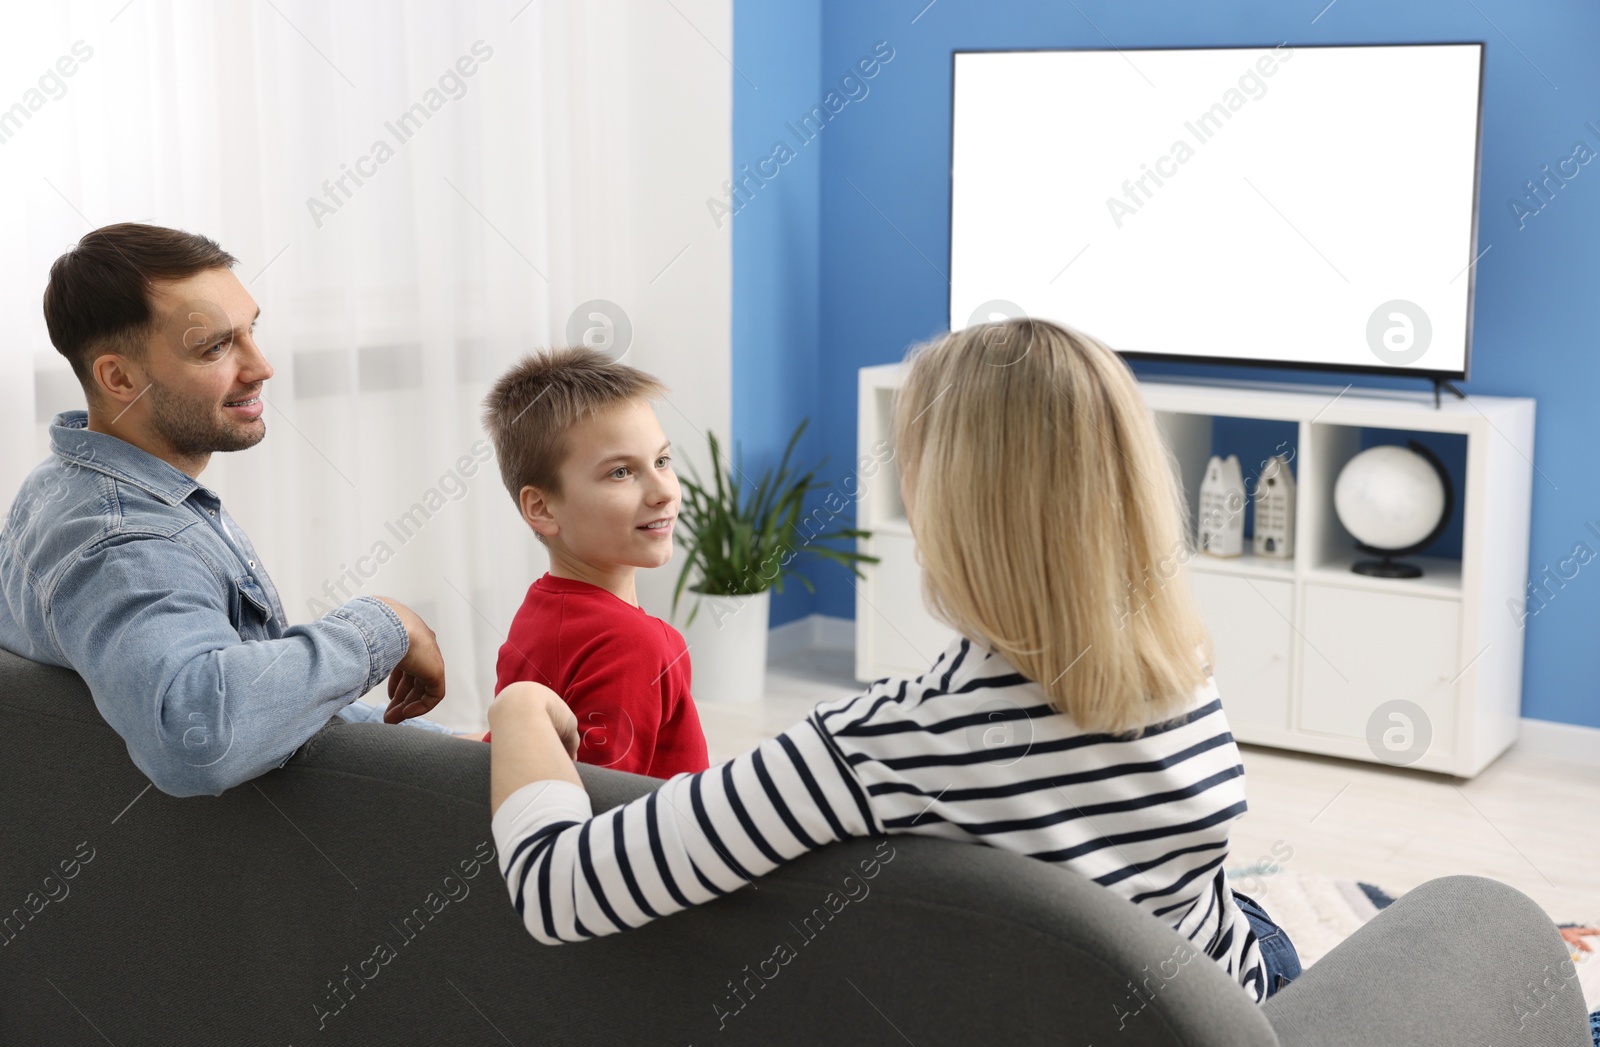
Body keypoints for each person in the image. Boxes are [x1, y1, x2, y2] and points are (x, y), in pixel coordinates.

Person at [484, 318, 1303, 1002]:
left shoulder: (889, 739)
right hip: (1226, 1000)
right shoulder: (1184, 666)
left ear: (948, 496)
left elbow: (561, 889)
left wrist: (518, 705)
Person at [0, 223, 472, 799]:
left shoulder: (63, 483)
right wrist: (384, 624)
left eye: (250, 331)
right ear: (119, 377)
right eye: (216, 347)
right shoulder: (126, 544)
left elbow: (264, 711)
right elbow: (200, 733)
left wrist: (455, 747)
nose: (261, 366)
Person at [478, 348, 709, 779]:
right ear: (543, 509)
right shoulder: (639, 644)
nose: (664, 492)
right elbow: (605, 811)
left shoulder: (539, 608)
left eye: (661, 461)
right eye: (621, 472)